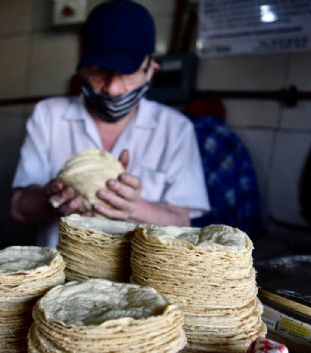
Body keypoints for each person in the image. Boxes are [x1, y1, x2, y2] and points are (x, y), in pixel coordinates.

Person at [11, 0, 210, 246]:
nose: (113, 88)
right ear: (82, 70)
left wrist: (136, 208)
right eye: (99, 71)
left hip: (137, 279)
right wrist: (51, 199)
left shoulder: (176, 129)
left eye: (128, 73)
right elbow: (18, 208)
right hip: (60, 271)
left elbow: (183, 222)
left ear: (151, 70)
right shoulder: (48, 115)